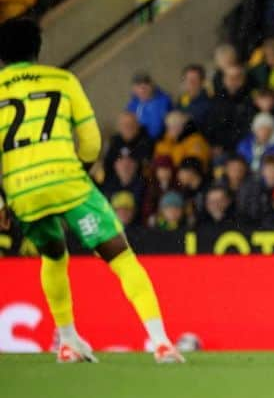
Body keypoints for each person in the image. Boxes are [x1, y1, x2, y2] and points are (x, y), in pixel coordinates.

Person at [0, 19, 183, 363]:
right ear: (37, 50)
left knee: (53, 257)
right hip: (68, 181)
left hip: (23, 190)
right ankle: (160, 342)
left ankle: (68, 342)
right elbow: (91, 142)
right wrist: (78, 172)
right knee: (120, 256)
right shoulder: (62, 81)